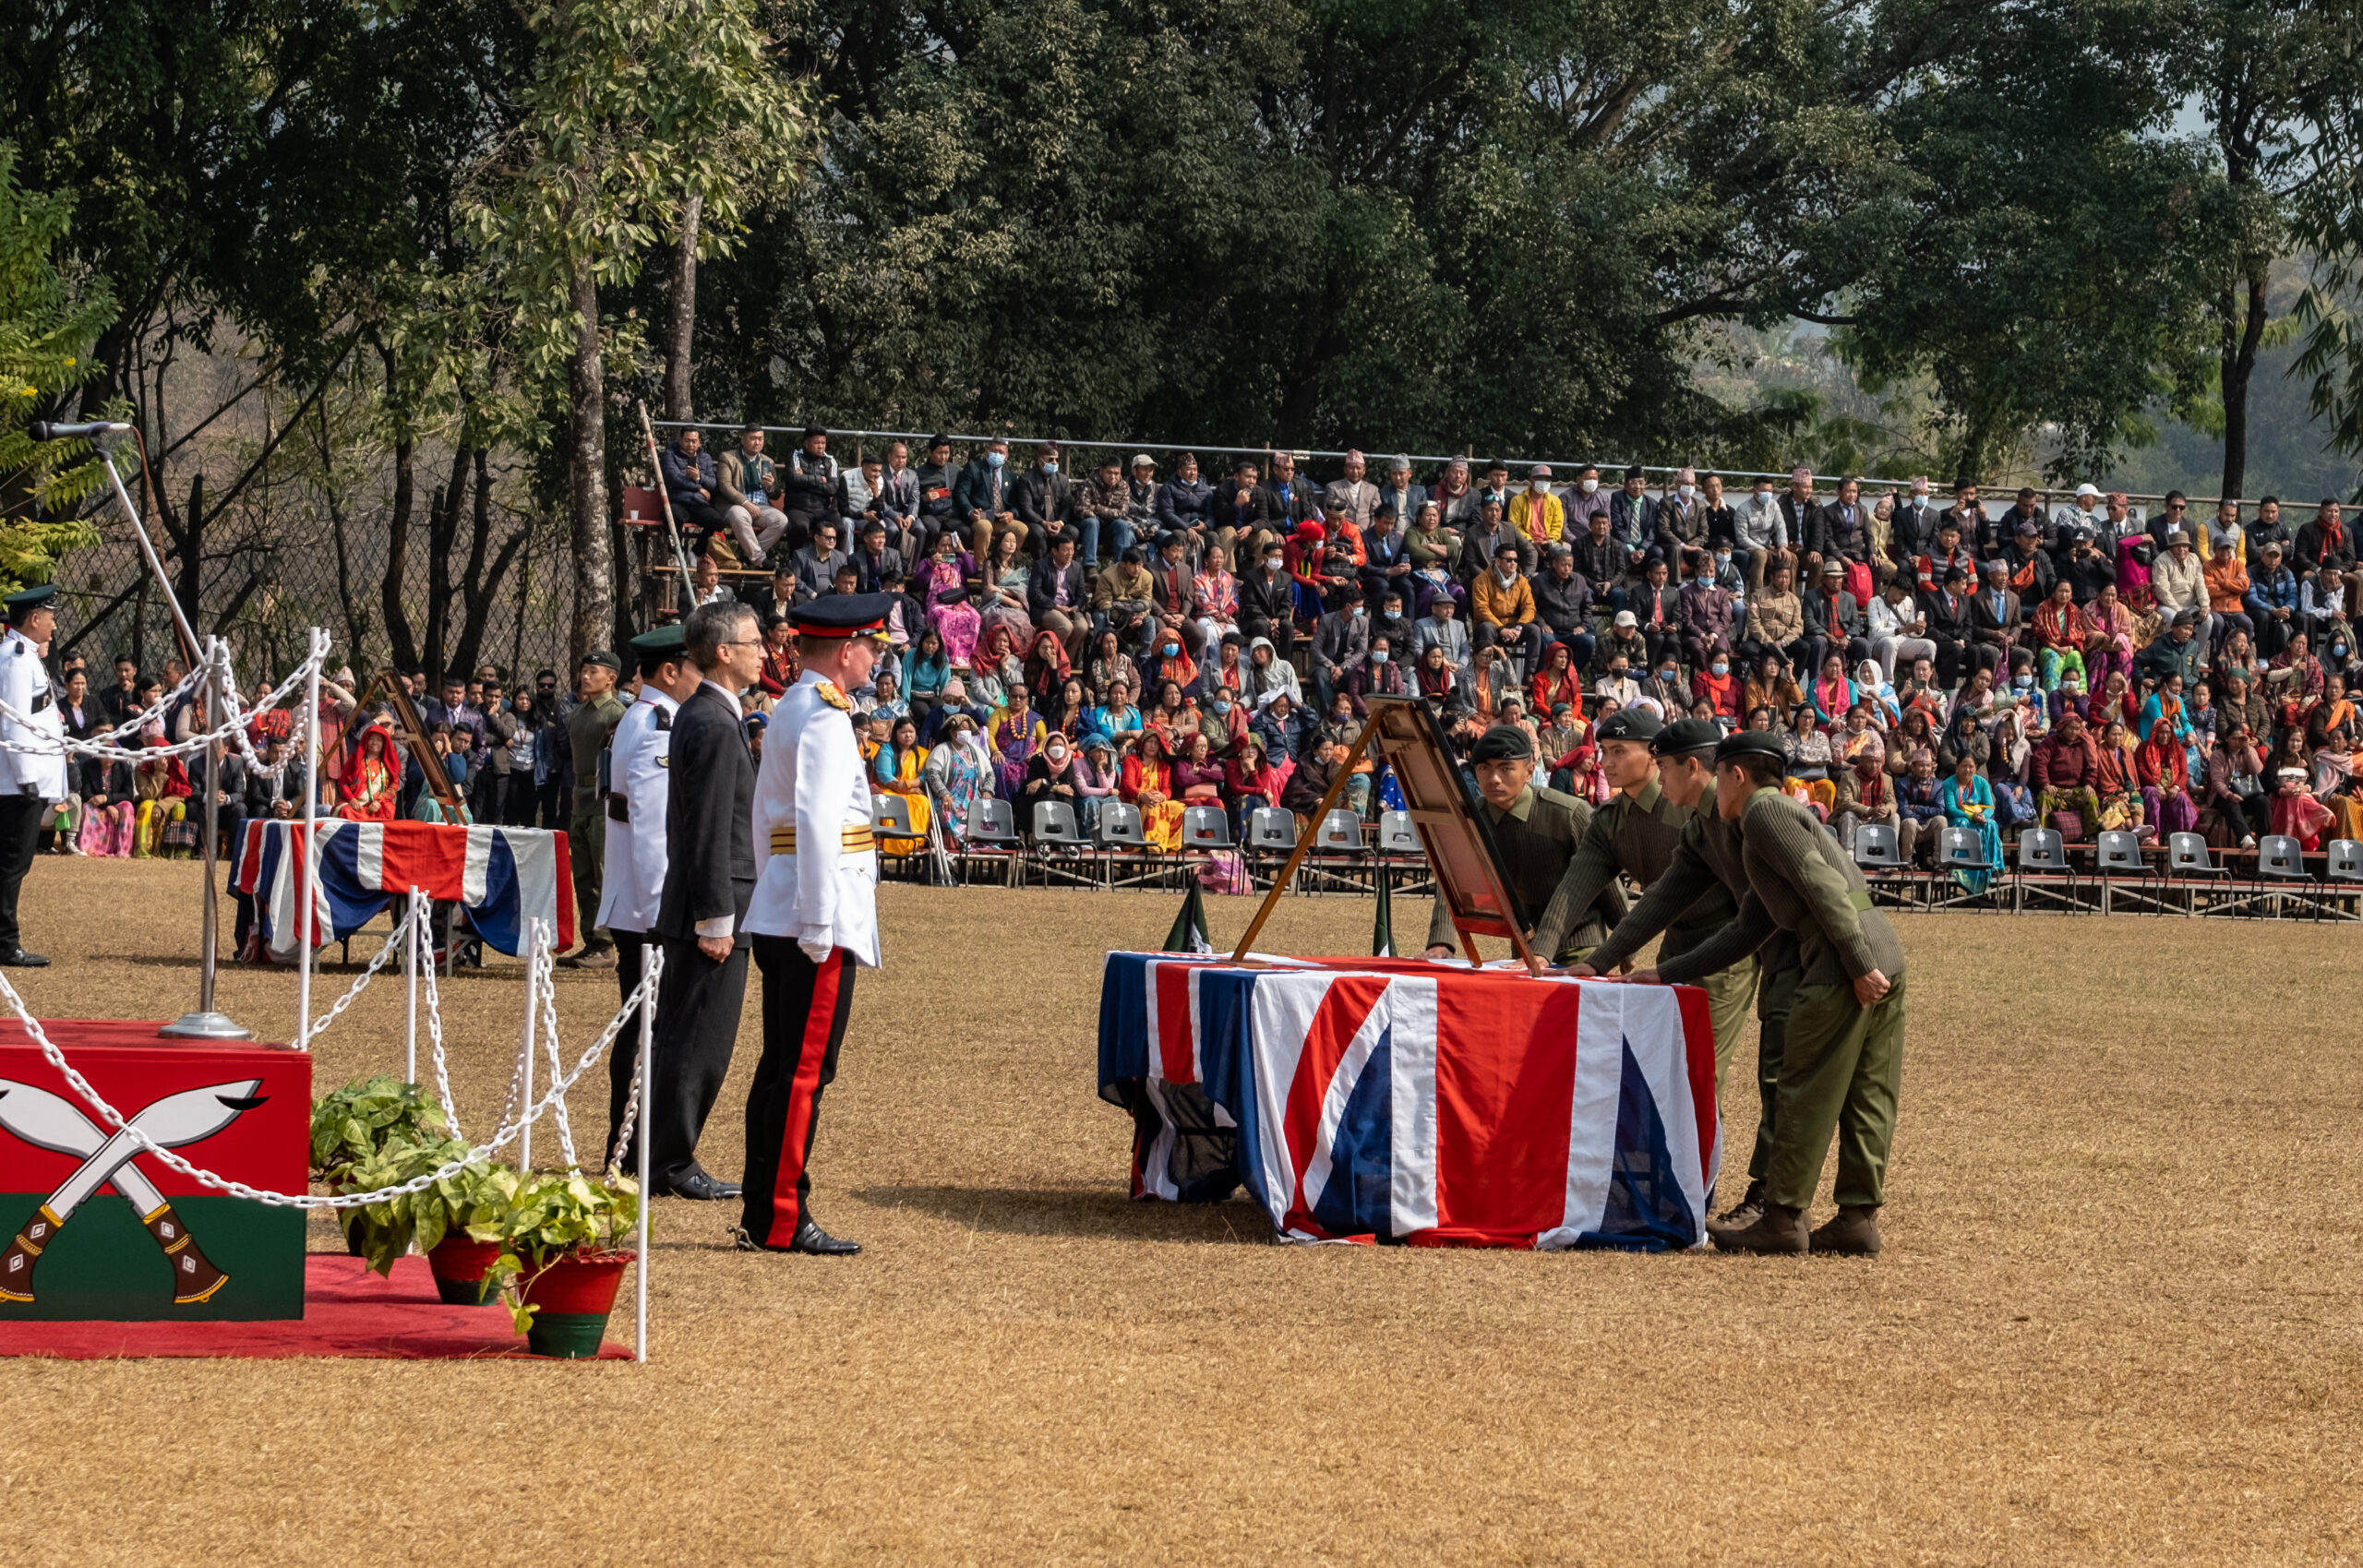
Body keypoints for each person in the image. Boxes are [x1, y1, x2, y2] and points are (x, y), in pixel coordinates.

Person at [1614, 728, 1907, 1257]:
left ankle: (1782, 1218)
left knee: (1803, 1087)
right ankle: (1858, 1219)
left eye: (1719, 776)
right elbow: (1748, 928)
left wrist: (1858, 964)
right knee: (1868, 1092)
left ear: (1735, 775)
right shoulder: (1764, 821)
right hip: (1880, 944)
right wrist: (1667, 971)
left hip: (1843, 957)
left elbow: (1824, 888)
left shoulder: (1762, 814)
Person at [736, 592, 892, 1256]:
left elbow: (765, 821)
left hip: (784, 903)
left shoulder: (794, 705)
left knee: (781, 1065)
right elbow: (819, 825)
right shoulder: (825, 717)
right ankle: (780, 1215)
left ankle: (762, 1205)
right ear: (846, 650)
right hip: (814, 915)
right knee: (802, 1071)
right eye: (874, 647)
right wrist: (820, 923)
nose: (878, 659)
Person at [1530, 711, 1758, 1067]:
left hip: (1726, 948)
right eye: (1604, 751)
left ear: (1654, 756)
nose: (1608, 762)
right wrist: (1542, 953)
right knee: (1663, 1071)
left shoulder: (1691, 805)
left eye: (1619, 751)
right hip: (1676, 946)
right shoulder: (1609, 820)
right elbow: (1573, 889)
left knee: (1700, 1071)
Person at [645, 603, 762, 1203]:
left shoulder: (709, 713)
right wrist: (717, 917)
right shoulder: (714, 721)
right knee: (699, 1043)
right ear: (724, 652)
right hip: (711, 911)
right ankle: (670, 1159)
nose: (763, 650)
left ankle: (665, 1153)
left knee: (688, 1037)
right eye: (753, 641)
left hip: (706, 905)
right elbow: (710, 826)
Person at [601, 625, 692, 1167]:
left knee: (644, 1028)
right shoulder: (658, 726)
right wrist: (664, 914)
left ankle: (632, 1145)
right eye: (694, 668)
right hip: (647, 908)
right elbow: (655, 829)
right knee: (647, 1032)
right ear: (670, 672)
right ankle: (633, 1148)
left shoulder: (646, 718)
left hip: (636, 904)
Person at [1420, 724, 1625, 964]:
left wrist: (1623, 949)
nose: (1494, 779)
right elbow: (1453, 880)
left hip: (1579, 945)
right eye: (1484, 768)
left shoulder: (1570, 814)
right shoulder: (1469, 819)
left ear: (1529, 772)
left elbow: (1606, 883)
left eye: (1505, 768)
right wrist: (1440, 942)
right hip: (1524, 948)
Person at [0, 587, 65, 964]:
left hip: (25, 780)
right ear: (34, 618)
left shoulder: (25, 657)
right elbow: (15, 724)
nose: (54, 624)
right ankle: (6, 943)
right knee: (12, 864)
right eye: (50, 616)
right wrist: (28, 780)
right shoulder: (15, 660)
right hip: (17, 782)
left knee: (13, 864)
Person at [560, 651, 628, 968]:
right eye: (583, 670)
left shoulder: (616, 714)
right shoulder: (578, 713)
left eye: (592, 671)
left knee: (602, 872)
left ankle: (605, 943)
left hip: (602, 798)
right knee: (583, 875)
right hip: (579, 798)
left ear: (611, 679)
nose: (585, 676)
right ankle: (591, 940)